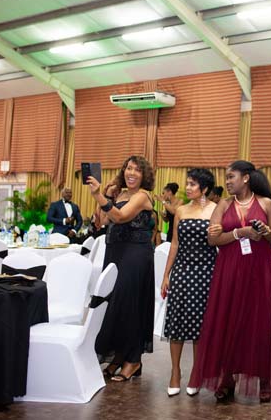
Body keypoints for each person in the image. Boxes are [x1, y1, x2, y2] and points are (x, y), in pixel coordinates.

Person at [189, 160, 271, 403]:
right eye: (226, 177)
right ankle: (227, 378)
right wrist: (240, 233)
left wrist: (264, 232)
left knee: (258, 323)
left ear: (246, 178)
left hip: (259, 271)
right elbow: (213, 239)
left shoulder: (266, 203)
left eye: (231, 176)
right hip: (229, 271)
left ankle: (263, 379)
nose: (227, 181)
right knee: (228, 322)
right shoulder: (223, 204)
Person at [86, 155, 155, 382]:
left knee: (130, 304)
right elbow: (103, 221)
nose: (131, 173)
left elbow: (121, 216)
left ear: (144, 175)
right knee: (115, 304)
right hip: (115, 252)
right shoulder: (121, 194)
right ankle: (118, 356)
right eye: (128, 168)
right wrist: (106, 196)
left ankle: (133, 360)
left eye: (137, 170)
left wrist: (97, 195)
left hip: (135, 254)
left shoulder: (143, 196)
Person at [161, 169, 217, 397]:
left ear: (204, 188)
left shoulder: (216, 210)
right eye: (188, 183)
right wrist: (166, 274)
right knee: (176, 322)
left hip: (206, 272)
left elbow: (220, 242)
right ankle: (175, 372)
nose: (188, 187)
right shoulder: (181, 210)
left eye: (193, 184)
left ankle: (196, 372)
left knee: (199, 325)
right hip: (182, 271)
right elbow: (174, 243)